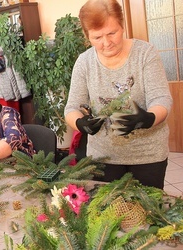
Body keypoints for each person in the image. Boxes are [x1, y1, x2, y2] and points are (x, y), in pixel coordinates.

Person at [64, 0, 172, 189]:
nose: (106, 43)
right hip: (103, 156)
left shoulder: (145, 54)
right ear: (87, 35)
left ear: (122, 25)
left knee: (148, 212)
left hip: (148, 154)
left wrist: (148, 118)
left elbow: (161, 98)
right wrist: (80, 123)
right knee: (107, 213)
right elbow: (72, 107)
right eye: (97, 37)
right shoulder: (84, 63)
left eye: (112, 33)